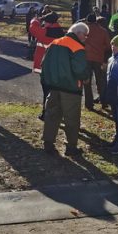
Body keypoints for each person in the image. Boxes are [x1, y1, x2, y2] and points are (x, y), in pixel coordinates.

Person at [40, 21, 90, 157]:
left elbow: (44, 63)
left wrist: (46, 81)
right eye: (85, 35)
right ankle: (71, 147)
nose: (86, 38)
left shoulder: (54, 43)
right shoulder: (77, 47)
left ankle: (48, 143)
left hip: (53, 87)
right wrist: (86, 77)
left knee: (51, 116)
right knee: (71, 119)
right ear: (79, 33)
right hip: (71, 88)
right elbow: (80, 69)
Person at [29, 10, 65, 120]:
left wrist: (37, 19)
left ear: (48, 22)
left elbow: (32, 27)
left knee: (46, 92)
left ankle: (46, 113)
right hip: (57, 66)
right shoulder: (62, 32)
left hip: (45, 66)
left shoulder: (44, 32)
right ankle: (58, 113)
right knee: (57, 92)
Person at [83, 13, 111, 111]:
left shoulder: (84, 31)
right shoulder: (103, 31)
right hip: (99, 59)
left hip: (86, 58)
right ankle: (104, 101)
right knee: (101, 81)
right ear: (95, 20)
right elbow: (108, 46)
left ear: (87, 21)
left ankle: (89, 103)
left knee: (87, 81)